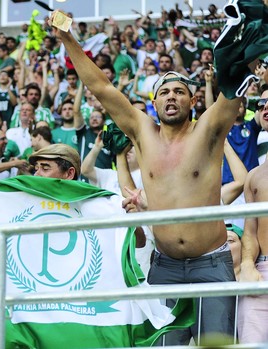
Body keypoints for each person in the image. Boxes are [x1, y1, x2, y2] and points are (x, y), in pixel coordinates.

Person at [52, 18, 241, 344]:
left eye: (179, 92)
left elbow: (231, 93)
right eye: (164, 92)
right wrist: (67, 39)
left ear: (193, 102)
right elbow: (102, 88)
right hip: (164, 266)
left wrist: (240, 45)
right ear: (153, 103)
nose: (171, 97)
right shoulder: (142, 132)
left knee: (218, 346)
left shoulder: (207, 130)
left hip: (212, 262)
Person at [238, 88, 268, 344]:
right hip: (262, 270)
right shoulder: (254, 177)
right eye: (262, 103)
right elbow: (250, 232)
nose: (266, 106)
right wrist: (247, 264)